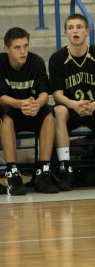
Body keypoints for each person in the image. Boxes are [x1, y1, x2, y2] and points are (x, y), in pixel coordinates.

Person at [48, 14, 95, 191]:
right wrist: (73, 104)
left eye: (79, 27)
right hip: (70, 109)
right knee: (58, 111)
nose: (75, 31)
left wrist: (94, 106)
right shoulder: (57, 58)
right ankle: (66, 168)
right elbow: (57, 95)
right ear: (65, 32)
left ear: (87, 31)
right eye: (71, 27)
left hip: (94, 108)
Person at [0, 27, 60, 195]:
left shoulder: (36, 61)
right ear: (7, 49)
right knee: (5, 116)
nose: (23, 51)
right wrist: (22, 104)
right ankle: (13, 173)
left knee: (49, 112)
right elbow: (2, 96)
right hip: (12, 110)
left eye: (26, 46)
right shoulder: (0, 63)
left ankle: (43, 171)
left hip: (32, 110)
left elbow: (43, 93)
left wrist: (36, 105)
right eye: (17, 47)